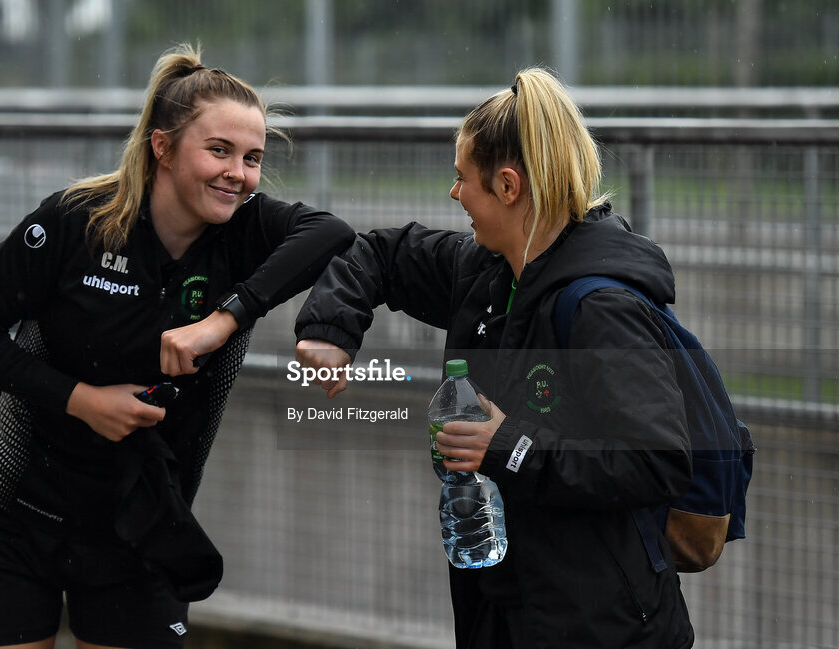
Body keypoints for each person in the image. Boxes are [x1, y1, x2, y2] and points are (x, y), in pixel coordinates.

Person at [0, 43, 354, 649]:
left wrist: (224, 319)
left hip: (140, 526)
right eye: (218, 150)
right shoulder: (74, 220)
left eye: (252, 157)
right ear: (162, 146)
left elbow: (334, 234)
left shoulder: (242, 230)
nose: (237, 173)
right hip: (9, 515)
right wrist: (81, 399)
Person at [294, 67, 694, 648]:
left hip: (600, 625)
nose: (453, 194)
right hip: (501, 606)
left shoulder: (600, 305)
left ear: (508, 187)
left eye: (463, 179)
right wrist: (332, 328)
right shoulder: (485, 270)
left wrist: (509, 445)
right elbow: (379, 254)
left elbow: (658, 460)